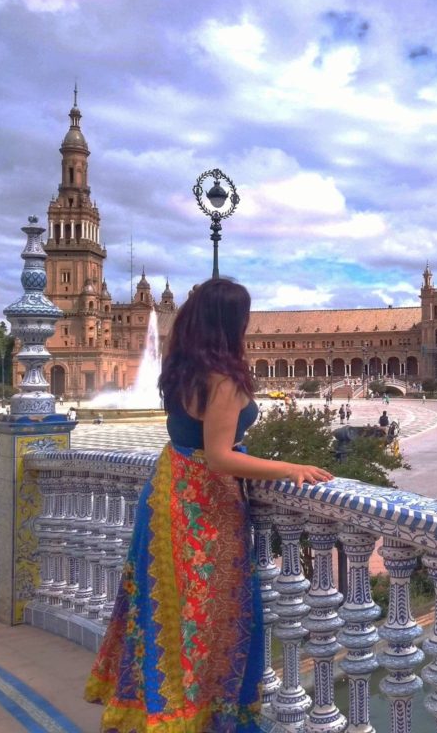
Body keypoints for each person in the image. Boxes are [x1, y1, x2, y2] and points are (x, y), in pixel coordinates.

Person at [85, 278, 331, 732]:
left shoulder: (181, 367)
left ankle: (159, 709)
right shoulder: (225, 380)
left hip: (167, 487)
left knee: (161, 603)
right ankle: (199, 715)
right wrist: (290, 468)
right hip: (204, 503)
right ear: (229, 323)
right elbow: (220, 456)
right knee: (210, 613)